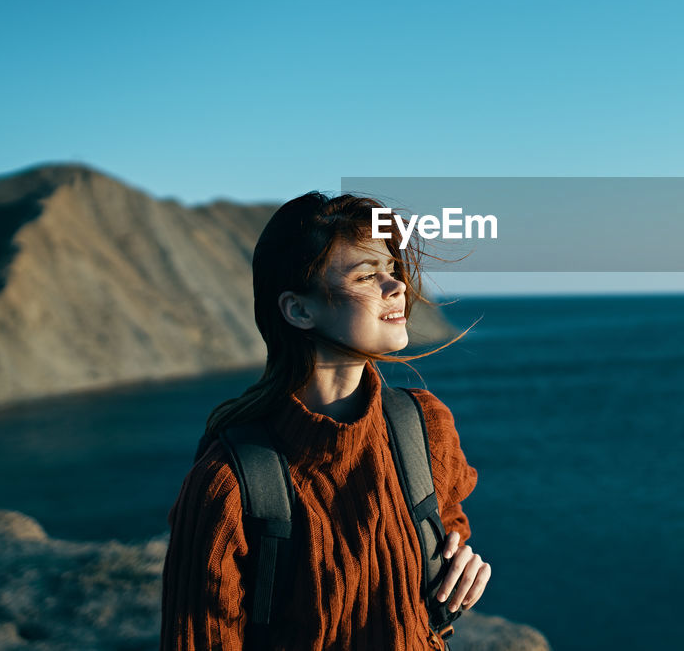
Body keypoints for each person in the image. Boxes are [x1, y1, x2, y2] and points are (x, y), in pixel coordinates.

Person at [160, 192, 490, 651]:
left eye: (392, 270)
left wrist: (460, 577)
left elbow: (443, 561)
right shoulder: (229, 485)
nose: (397, 287)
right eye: (366, 276)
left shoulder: (426, 427)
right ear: (299, 310)